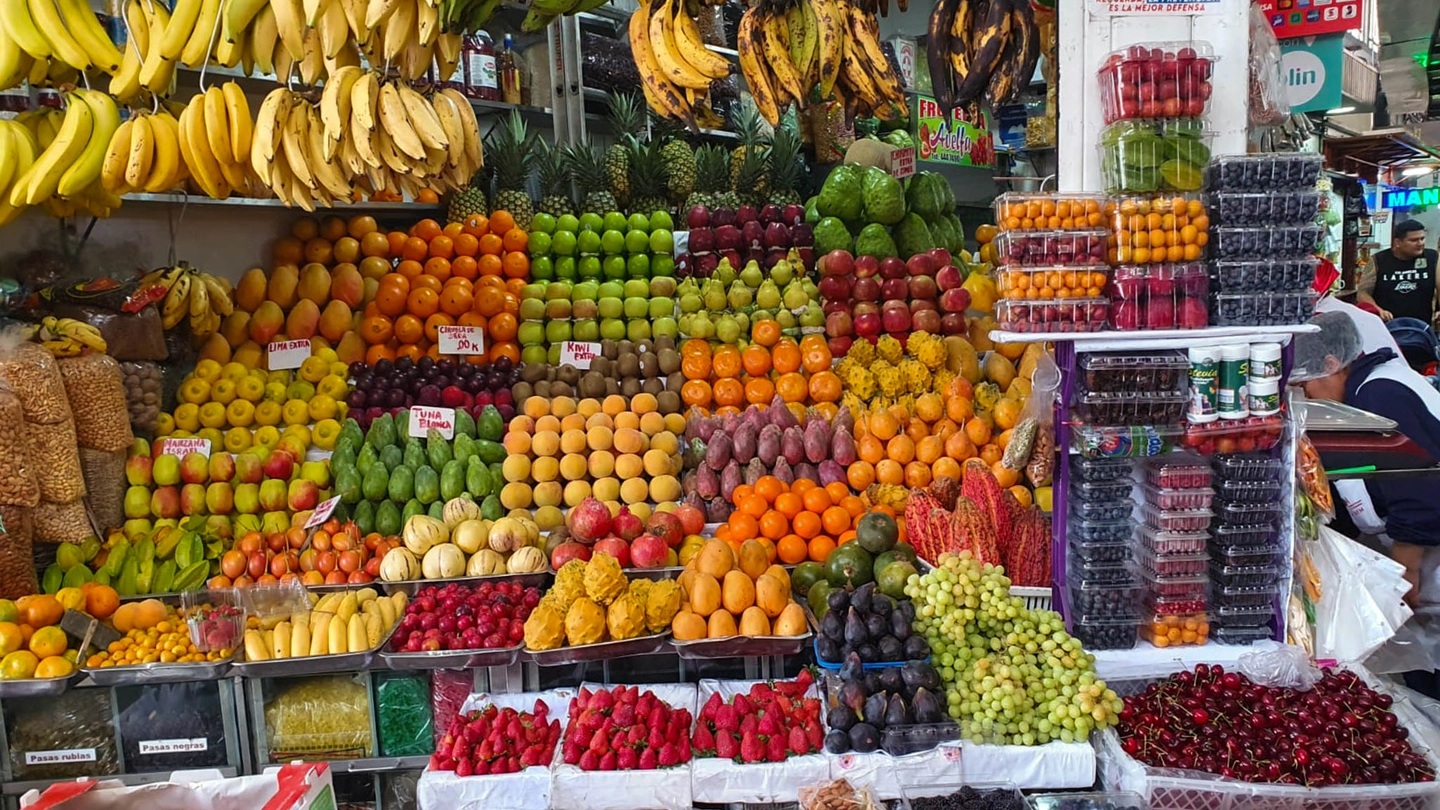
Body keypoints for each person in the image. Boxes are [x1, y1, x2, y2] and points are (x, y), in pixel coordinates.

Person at [1294, 311, 1440, 606]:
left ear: (1331, 364)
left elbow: (1417, 488)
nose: (1307, 396)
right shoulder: (1360, 396)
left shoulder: (1380, 393)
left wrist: (1405, 574)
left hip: (1428, 562)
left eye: (1306, 384)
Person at [1357, 219, 1439, 324]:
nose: (1420, 243)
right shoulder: (1378, 260)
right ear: (1398, 242)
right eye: (1414, 240)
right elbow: (1363, 293)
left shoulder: (1433, 258)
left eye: (1422, 239)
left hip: (1423, 327)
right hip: (1387, 325)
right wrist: (1378, 310)